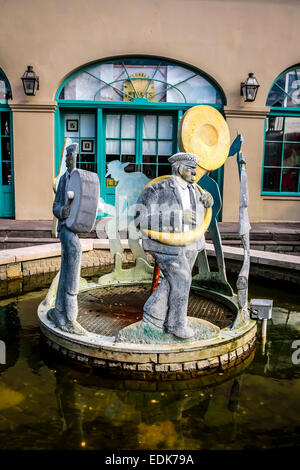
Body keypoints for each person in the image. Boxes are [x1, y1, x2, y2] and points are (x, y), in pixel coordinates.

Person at [135, 152, 213, 339]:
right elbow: (140, 220)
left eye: (195, 170)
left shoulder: (197, 191)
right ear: (179, 168)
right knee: (183, 278)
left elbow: (202, 213)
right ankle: (176, 325)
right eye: (191, 169)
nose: (195, 174)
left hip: (191, 243)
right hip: (164, 244)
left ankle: (153, 314)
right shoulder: (156, 189)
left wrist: (208, 202)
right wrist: (177, 217)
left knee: (174, 281)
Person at [48, 143, 86, 335]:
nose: (72, 160)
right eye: (69, 157)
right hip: (66, 229)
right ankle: (70, 317)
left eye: (74, 157)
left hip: (76, 228)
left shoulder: (80, 178)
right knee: (74, 254)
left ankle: (60, 311)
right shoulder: (63, 180)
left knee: (66, 270)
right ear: (66, 160)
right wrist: (62, 211)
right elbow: (55, 206)